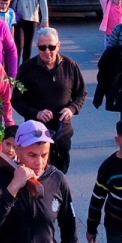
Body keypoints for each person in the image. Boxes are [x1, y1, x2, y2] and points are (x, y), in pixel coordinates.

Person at [0, 120, 80, 243]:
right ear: (18, 150)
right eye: (32, 155)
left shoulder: (57, 179)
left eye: (44, 155)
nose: (39, 162)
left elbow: (70, 232)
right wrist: (13, 187)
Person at [12, 27, 86, 174]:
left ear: (58, 46)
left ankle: (57, 195)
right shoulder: (26, 68)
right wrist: (36, 113)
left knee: (59, 171)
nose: (47, 51)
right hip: (35, 133)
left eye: (51, 47)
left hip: (62, 131)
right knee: (37, 171)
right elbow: (17, 100)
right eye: (42, 47)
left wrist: (71, 109)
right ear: (37, 47)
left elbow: (81, 94)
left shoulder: (70, 65)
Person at [7, 0, 49, 64]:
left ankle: (25, 70)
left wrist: (45, 20)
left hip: (32, 18)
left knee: (28, 46)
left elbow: (43, 3)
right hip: (18, 18)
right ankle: (15, 71)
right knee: (19, 45)